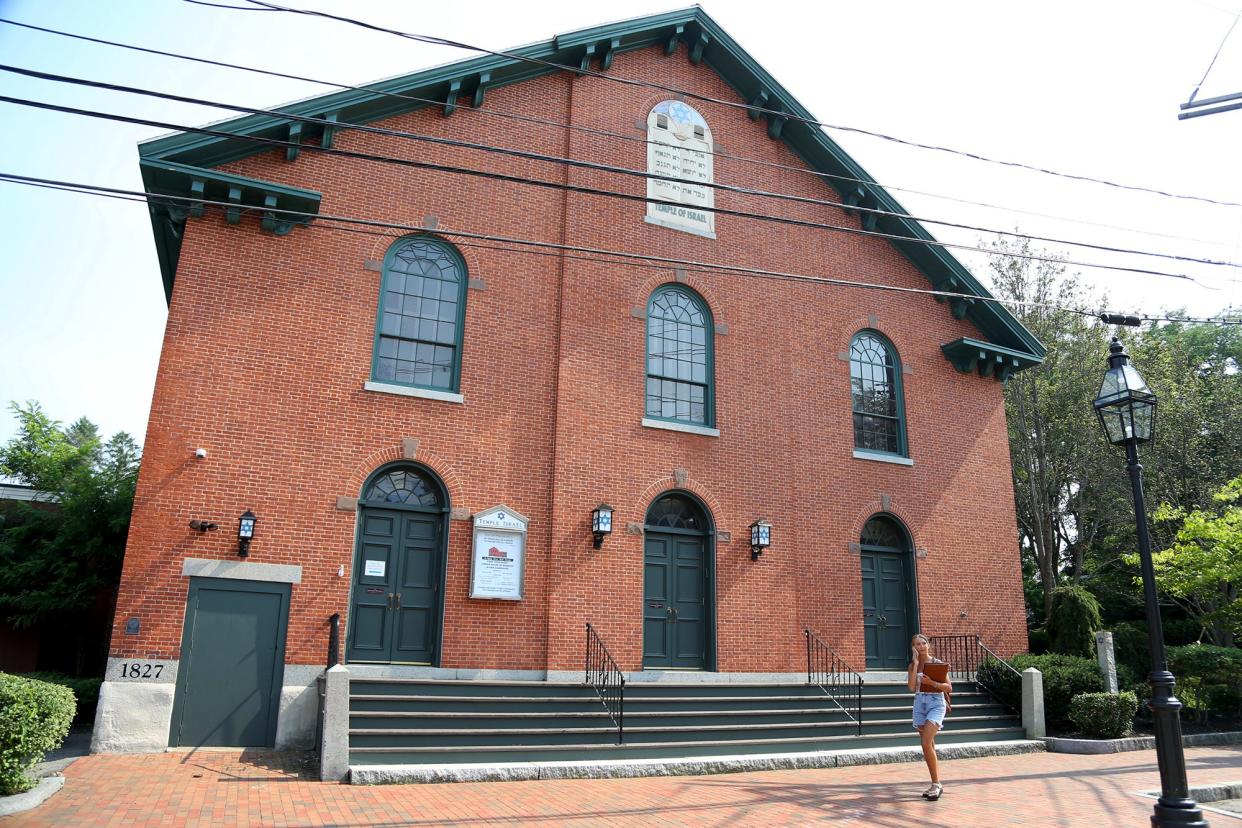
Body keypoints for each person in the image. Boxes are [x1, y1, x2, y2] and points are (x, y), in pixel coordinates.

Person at [908, 633, 951, 801]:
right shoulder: (913, 665)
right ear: (914, 647)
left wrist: (931, 683)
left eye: (923, 643)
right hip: (919, 703)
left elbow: (949, 687)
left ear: (928, 645)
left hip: (936, 703)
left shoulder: (937, 664)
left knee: (925, 743)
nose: (921, 647)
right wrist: (916, 663)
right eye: (917, 644)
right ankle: (934, 783)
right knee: (929, 745)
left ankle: (937, 784)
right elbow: (912, 687)